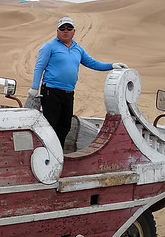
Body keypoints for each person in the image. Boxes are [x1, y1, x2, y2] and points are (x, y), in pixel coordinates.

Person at [26, 17, 127, 146]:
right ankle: (48, 153)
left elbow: (92, 63)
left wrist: (111, 66)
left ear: (74, 31)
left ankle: (59, 152)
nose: (65, 31)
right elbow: (39, 67)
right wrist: (34, 88)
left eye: (69, 28)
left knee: (65, 126)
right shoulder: (49, 47)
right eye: (62, 28)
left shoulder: (78, 49)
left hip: (68, 93)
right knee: (51, 126)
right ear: (57, 31)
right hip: (51, 91)